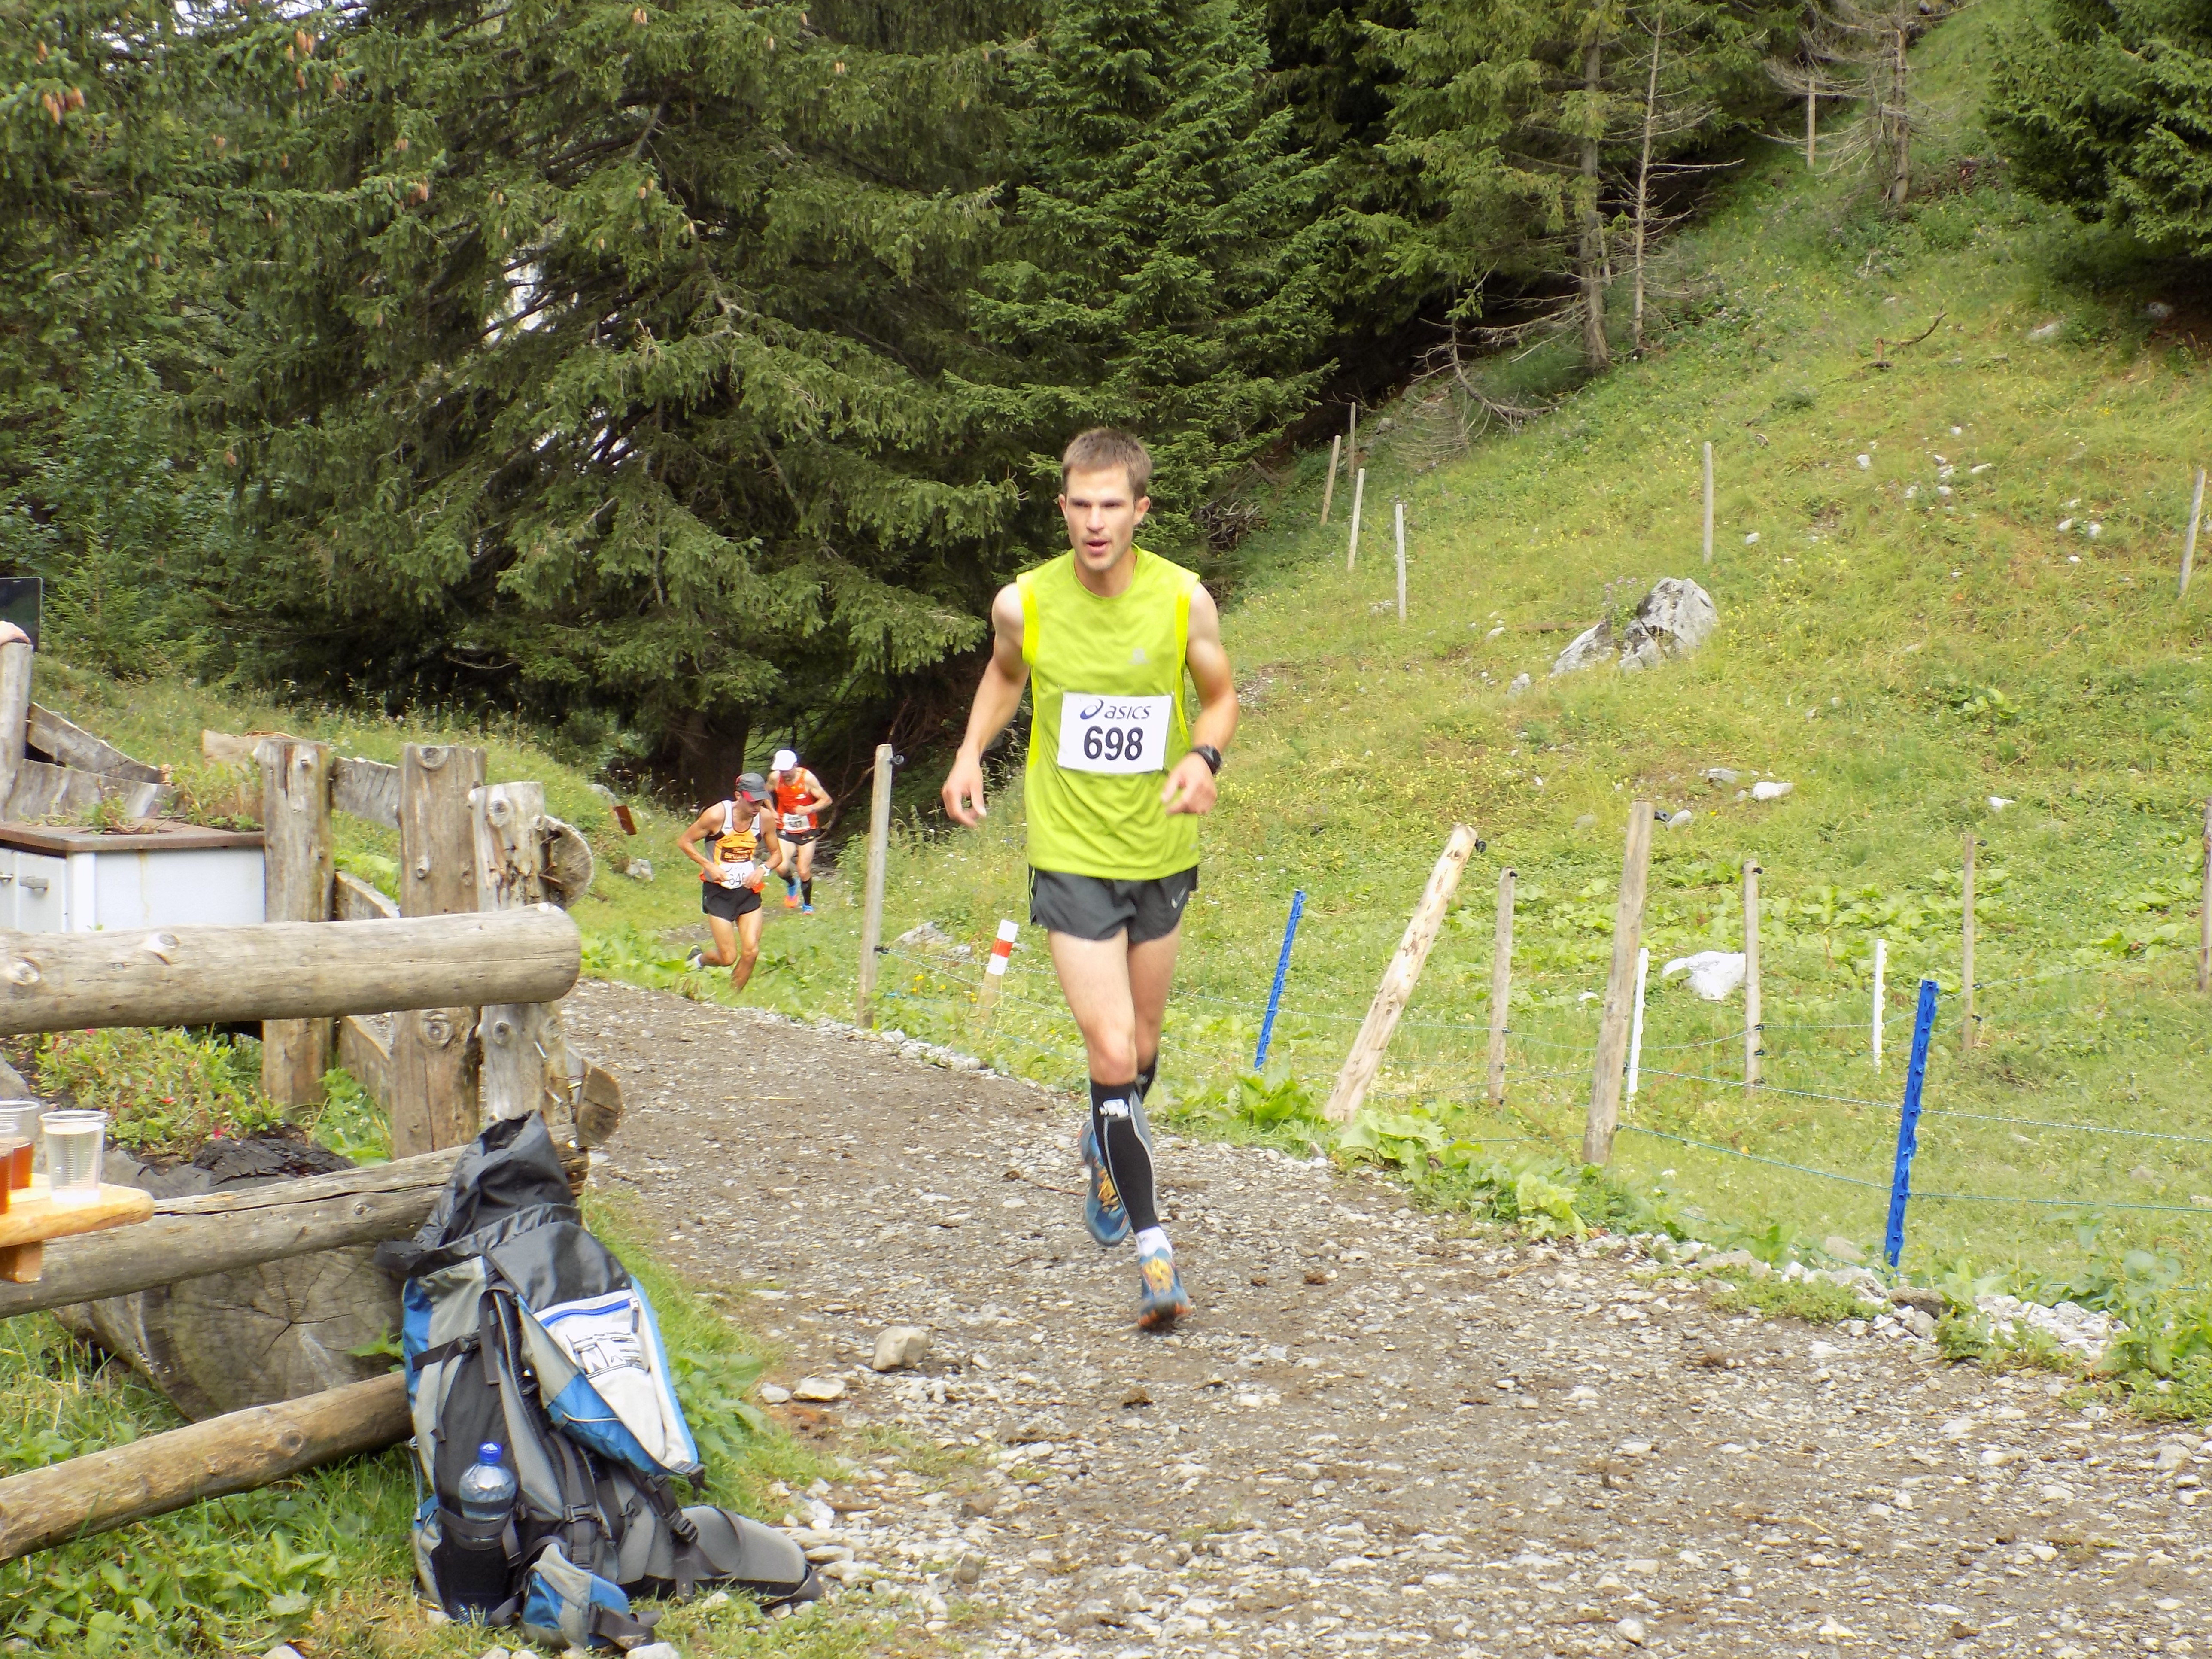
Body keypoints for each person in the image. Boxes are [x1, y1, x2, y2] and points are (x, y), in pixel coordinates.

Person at [941, 427, 1237, 1331]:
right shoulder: (1024, 602)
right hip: (1069, 853)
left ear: (1140, 509)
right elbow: (1004, 677)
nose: (1095, 522)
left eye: (1113, 505)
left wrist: (1203, 759)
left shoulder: (1182, 599)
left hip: (1159, 853)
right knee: (1109, 1052)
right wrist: (969, 752)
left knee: (1140, 1049)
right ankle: (1155, 1255)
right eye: (1081, 505)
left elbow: (1220, 697)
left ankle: (1104, 1136)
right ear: (1062, 507)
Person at [676, 772, 783, 991]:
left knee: (751, 952)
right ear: (738, 796)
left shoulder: (765, 819)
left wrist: (762, 869)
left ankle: (730, 1000)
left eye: (760, 801)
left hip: (748, 891)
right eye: (752, 801)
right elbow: (685, 842)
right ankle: (698, 960)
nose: (756, 807)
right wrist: (709, 866)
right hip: (719, 892)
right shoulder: (716, 815)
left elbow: (777, 855)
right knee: (728, 957)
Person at [766, 749, 834, 913]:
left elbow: (827, 800)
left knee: (803, 870)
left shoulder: (807, 779)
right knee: (781, 867)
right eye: (781, 770)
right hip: (786, 828)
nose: (784, 774)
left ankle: (807, 905)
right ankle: (792, 885)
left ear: (795, 765)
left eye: (787, 770)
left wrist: (809, 809)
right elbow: (764, 793)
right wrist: (772, 811)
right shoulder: (775, 777)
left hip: (807, 830)